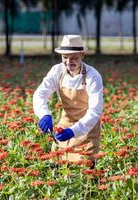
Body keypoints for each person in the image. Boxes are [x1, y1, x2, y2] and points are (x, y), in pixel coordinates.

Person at [33, 35, 103, 165]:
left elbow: (95, 111)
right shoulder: (57, 71)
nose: (68, 62)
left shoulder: (93, 76)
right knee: (56, 164)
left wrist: (74, 131)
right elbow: (40, 93)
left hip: (87, 128)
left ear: (82, 55)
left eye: (74, 58)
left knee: (86, 168)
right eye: (65, 57)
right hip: (65, 123)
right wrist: (44, 114)